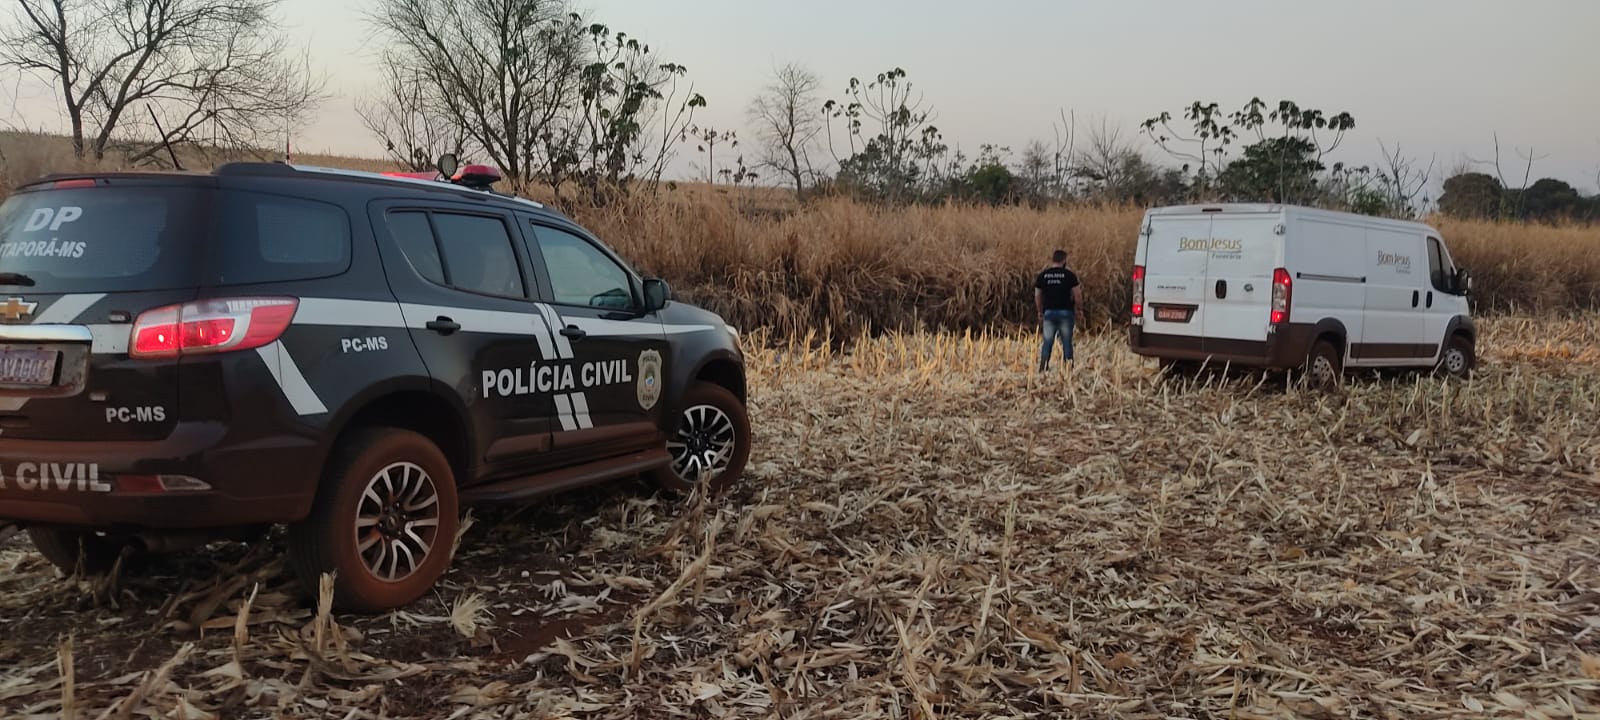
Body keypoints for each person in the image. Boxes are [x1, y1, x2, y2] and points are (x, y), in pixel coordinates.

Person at [1034, 249, 1082, 370]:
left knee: (1047, 342)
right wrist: (1079, 310)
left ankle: (1043, 367)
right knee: (1066, 342)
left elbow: (1037, 295)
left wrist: (1040, 311)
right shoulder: (1069, 275)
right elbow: (1078, 295)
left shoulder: (1043, 275)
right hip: (1066, 313)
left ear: (1053, 259)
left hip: (1049, 313)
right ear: (1064, 260)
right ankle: (1068, 368)